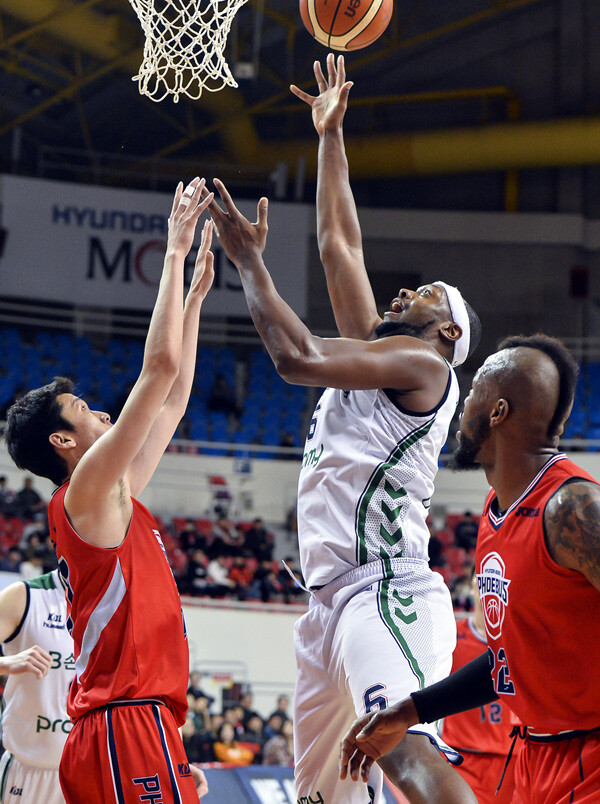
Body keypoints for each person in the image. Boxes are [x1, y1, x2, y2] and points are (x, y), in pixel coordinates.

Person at [206, 51, 481, 804]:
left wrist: (250, 265)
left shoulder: (425, 367)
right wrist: (330, 136)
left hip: (385, 592)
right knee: (321, 797)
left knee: (404, 754)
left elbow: (295, 357)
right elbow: (340, 248)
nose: (406, 289)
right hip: (325, 605)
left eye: (426, 294)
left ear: (448, 334)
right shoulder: (383, 356)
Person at [4, 178, 215, 803]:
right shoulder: (87, 491)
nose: (101, 413)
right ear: (62, 443)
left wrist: (194, 303)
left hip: (134, 720)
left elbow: (173, 402)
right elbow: (158, 371)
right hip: (124, 720)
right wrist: (172, 254)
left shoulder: (111, 496)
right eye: (85, 410)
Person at [340, 334, 600, 804]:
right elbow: (510, 659)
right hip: (535, 758)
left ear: (498, 411)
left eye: (475, 388)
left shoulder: (573, 508)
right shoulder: (497, 508)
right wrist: (410, 711)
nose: (463, 404)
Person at [441, 570, 516, 804]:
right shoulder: (450, 636)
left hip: (512, 757)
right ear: (474, 584)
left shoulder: (521, 640)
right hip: (463, 756)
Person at [0, 568, 72, 804]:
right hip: (29, 772)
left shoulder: (118, 602)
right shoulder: (24, 596)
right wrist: (6, 663)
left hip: (88, 770)